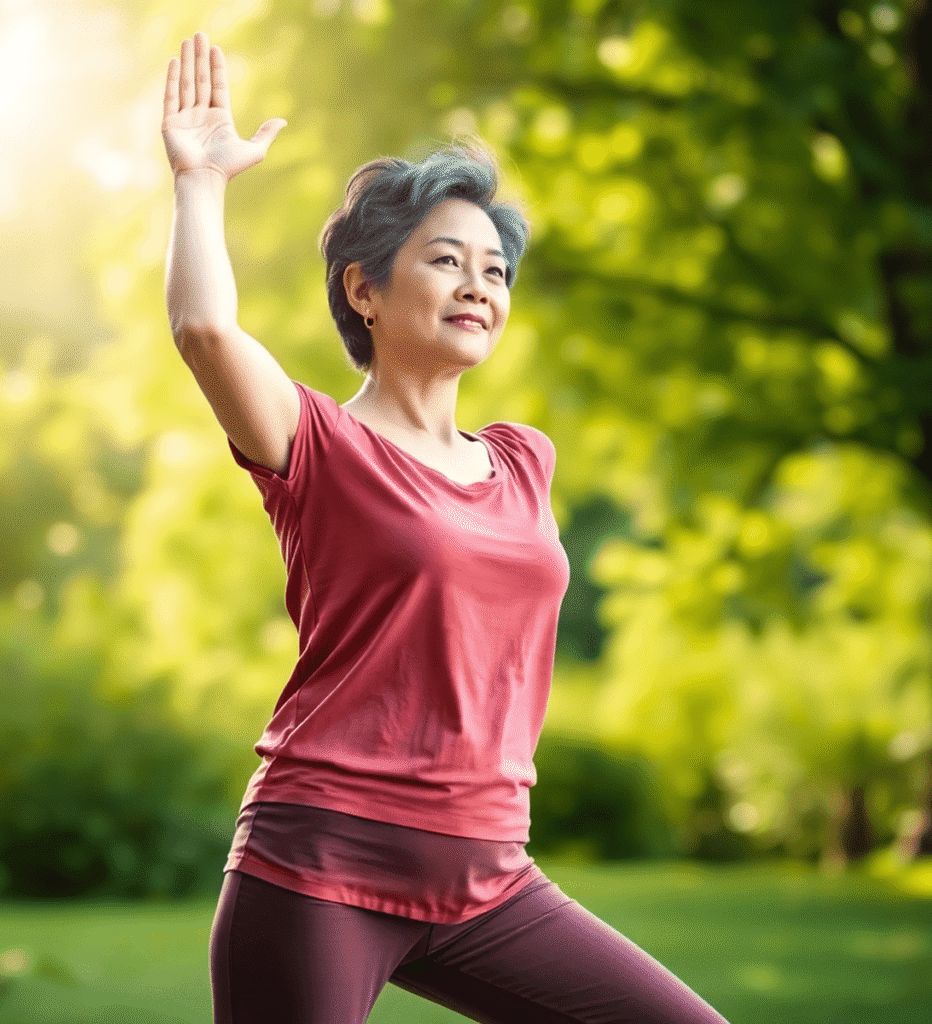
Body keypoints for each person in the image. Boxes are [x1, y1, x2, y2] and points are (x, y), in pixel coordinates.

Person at [162, 29, 730, 1024]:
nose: (480, 283)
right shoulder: (315, 444)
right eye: (446, 261)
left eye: (496, 269)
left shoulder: (524, 458)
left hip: (492, 878)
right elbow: (206, 331)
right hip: (320, 864)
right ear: (364, 289)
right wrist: (201, 182)